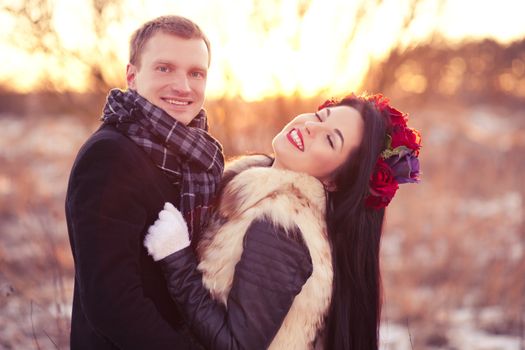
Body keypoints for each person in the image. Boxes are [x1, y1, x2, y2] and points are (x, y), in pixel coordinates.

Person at [144, 93, 421, 349]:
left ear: (334, 180)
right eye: (321, 117)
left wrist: (176, 258)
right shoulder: (251, 187)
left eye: (330, 140)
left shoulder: (283, 226)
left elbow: (238, 345)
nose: (312, 127)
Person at [65, 15, 224, 349]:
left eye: (196, 73)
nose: (183, 86)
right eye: (164, 68)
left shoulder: (197, 154)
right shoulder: (110, 156)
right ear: (132, 77)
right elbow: (112, 305)